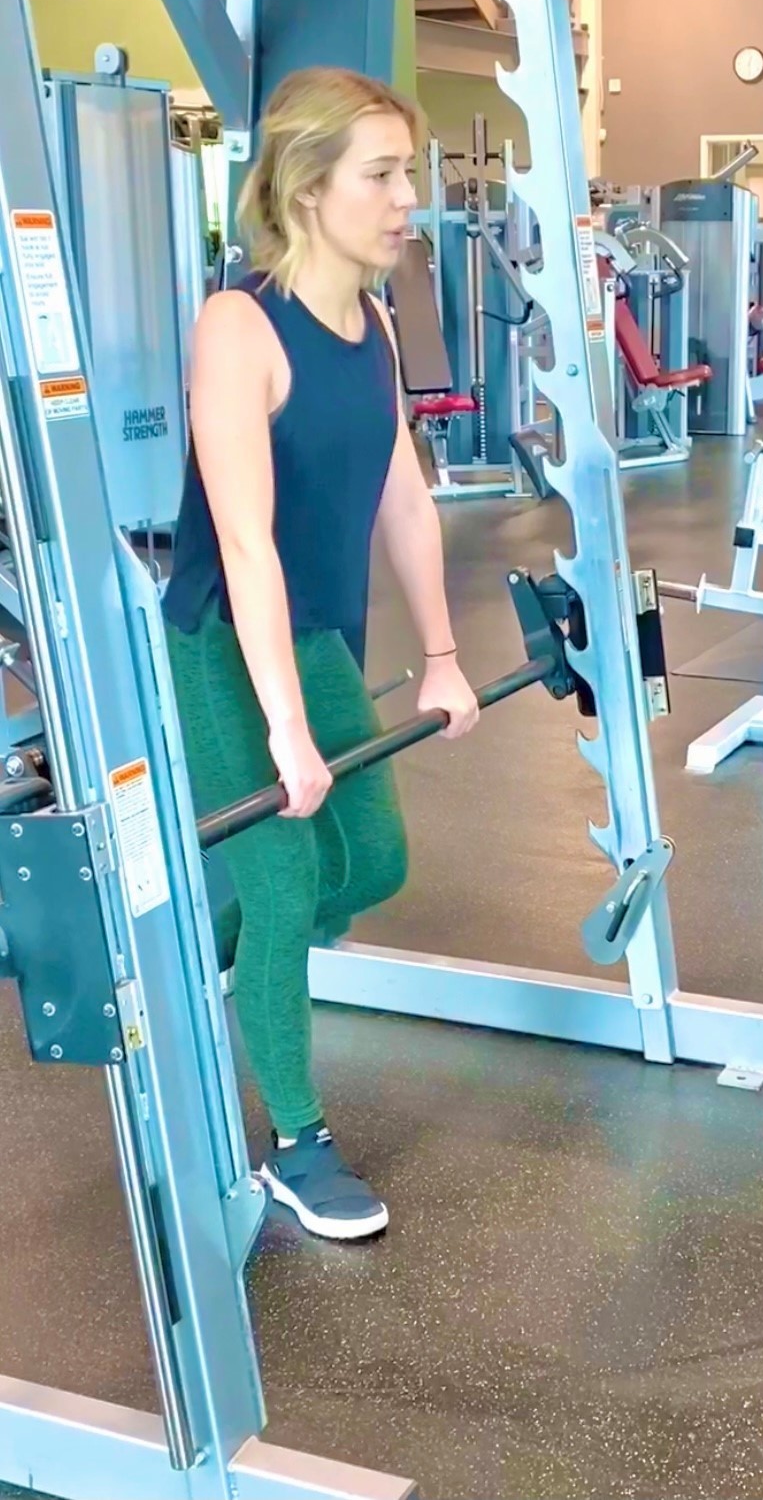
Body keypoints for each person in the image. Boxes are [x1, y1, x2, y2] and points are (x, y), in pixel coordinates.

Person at [164, 67, 479, 1241]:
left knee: (374, 861)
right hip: (221, 646)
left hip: (315, 637)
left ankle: (197, 959)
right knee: (287, 881)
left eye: (409, 173)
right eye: (381, 175)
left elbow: (403, 499)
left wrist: (442, 655)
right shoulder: (237, 328)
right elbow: (245, 542)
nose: (407, 200)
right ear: (306, 188)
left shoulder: (374, 324)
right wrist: (286, 731)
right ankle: (297, 1145)